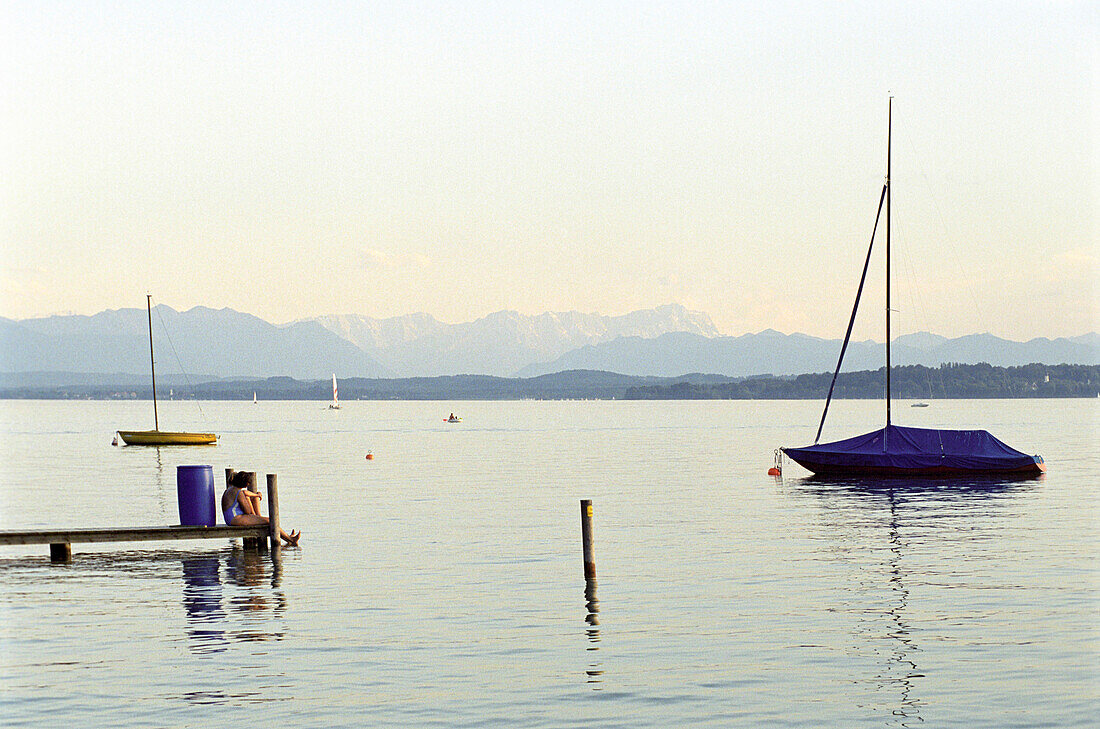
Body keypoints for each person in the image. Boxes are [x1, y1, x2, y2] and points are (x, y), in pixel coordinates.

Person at [221, 471, 300, 546]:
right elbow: (247, 511)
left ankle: (288, 537)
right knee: (270, 521)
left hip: (230, 518)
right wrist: (248, 503)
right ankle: (291, 540)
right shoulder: (239, 493)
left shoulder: (229, 490)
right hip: (235, 519)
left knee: (266, 520)